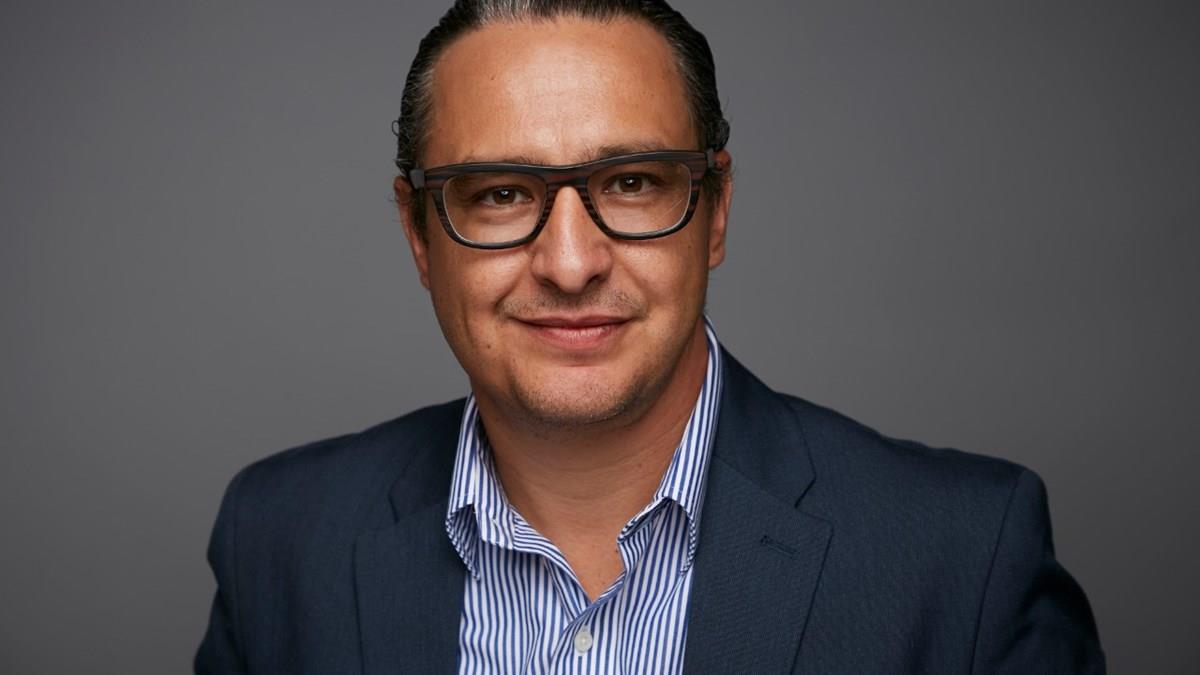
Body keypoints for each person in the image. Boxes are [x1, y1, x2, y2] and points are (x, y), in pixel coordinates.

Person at [195, 1, 1104, 673]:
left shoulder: (966, 556)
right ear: (418, 234)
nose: (570, 262)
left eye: (631, 183)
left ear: (716, 212)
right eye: (501, 193)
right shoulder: (278, 541)